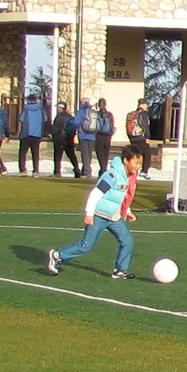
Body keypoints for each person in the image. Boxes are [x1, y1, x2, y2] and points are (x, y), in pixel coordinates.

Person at [46, 144, 144, 278]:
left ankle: (121, 270)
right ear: (126, 160)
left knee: (127, 241)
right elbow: (96, 193)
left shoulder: (128, 177)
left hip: (113, 217)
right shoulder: (112, 175)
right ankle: (58, 256)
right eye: (136, 163)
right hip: (99, 215)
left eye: (140, 163)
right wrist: (89, 213)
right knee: (86, 246)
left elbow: (119, 197)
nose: (138, 166)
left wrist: (127, 211)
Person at [50, 101, 79, 177]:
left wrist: (54, 137)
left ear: (61, 108)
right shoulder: (70, 117)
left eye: (58, 107)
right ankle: (77, 170)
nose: (57, 109)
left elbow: (55, 129)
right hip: (68, 139)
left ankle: (57, 172)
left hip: (59, 139)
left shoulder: (59, 117)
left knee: (58, 156)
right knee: (72, 155)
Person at [19, 95, 47, 175]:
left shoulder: (26, 108)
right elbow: (45, 118)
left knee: (22, 153)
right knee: (35, 153)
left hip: (26, 133)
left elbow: (21, 118)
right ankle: (36, 170)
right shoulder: (41, 108)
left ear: (28, 100)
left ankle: (23, 170)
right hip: (37, 133)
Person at [91, 99, 116, 173]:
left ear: (99, 105)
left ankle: (102, 168)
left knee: (100, 153)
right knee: (106, 153)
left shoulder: (96, 114)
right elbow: (112, 125)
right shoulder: (110, 114)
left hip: (99, 136)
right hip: (107, 137)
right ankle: (104, 168)